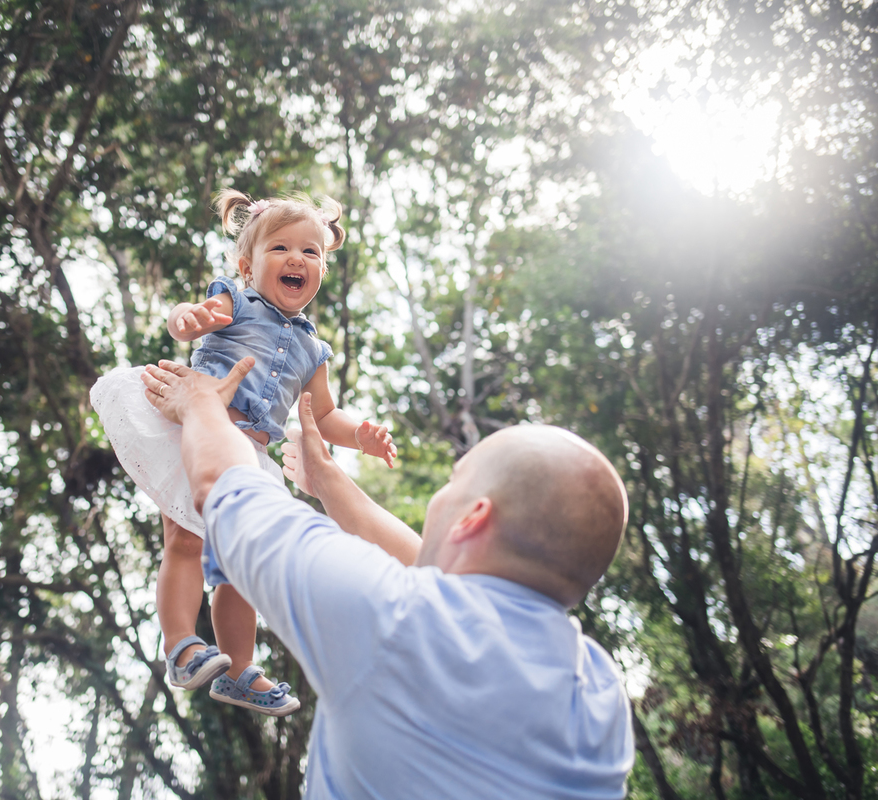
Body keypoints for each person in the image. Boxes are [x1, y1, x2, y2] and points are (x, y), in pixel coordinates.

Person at [139, 357, 636, 799]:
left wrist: (200, 404)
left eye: (453, 482)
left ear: (472, 518)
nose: (442, 496)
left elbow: (225, 488)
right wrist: (325, 478)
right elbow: (438, 579)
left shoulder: (394, 621)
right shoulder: (602, 699)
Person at [89, 190, 398, 716]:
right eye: (280, 248)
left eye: (311, 251)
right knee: (185, 539)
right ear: (247, 266)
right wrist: (186, 319)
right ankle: (181, 644)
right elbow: (192, 316)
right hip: (195, 431)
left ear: (321, 269)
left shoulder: (313, 349)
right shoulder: (236, 300)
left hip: (250, 455)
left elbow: (323, 414)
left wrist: (360, 436)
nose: (297, 258)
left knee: (241, 565)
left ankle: (238, 668)